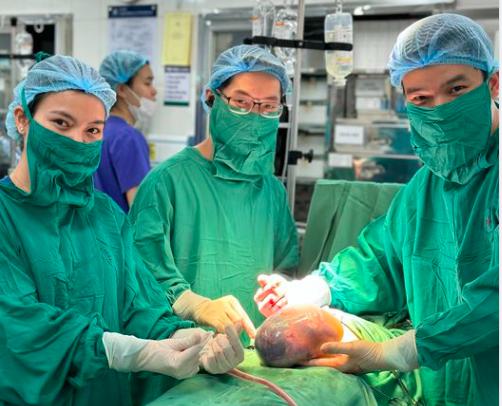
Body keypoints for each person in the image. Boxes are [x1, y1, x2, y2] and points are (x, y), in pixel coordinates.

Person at [254, 13, 499, 405]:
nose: (440, 109)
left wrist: (400, 351)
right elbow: (380, 262)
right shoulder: (425, 189)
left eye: (456, 89)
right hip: (443, 389)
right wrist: (314, 289)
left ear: (493, 83)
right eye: (421, 99)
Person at [0, 53, 243, 406]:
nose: (78, 141)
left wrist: (188, 340)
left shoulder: (106, 216)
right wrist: (123, 351)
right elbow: (16, 327)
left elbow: (139, 306)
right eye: (61, 124)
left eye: (93, 130)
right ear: (23, 120)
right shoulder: (5, 216)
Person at [129, 45, 299, 339]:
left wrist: (281, 291)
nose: (255, 116)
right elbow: (141, 272)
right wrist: (193, 305)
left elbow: (286, 265)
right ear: (211, 98)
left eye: (268, 107)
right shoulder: (167, 182)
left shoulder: (271, 190)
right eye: (241, 102)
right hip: (184, 351)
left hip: (257, 351)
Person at [94, 50, 157, 212]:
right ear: (122, 89)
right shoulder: (128, 138)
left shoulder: (96, 131)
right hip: (121, 228)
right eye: (147, 83)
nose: (154, 91)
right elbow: (141, 210)